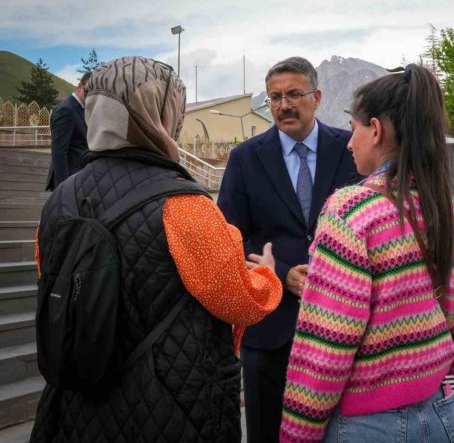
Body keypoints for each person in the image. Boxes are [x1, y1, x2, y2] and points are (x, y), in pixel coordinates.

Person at [31, 56, 282, 442]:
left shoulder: (58, 202)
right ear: (158, 114)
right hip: (172, 405)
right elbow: (238, 301)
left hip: (77, 407)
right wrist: (266, 274)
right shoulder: (184, 205)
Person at [279, 64, 454, 442]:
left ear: (377, 129)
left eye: (354, 130)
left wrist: (295, 435)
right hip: (444, 412)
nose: (349, 143)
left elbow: (326, 346)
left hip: (369, 426)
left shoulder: (353, 213)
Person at [217, 57, 358, 443]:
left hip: (341, 326)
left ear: (317, 97)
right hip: (270, 330)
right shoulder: (246, 158)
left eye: (294, 94)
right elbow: (229, 236)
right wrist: (280, 274)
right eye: (275, 97)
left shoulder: (349, 150)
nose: (284, 105)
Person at [46, 72, 91, 190]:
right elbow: (59, 152)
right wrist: (64, 187)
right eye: (88, 91)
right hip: (69, 180)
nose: (91, 95)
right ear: (79, 86)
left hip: (79, 177)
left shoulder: (81, 108)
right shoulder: (66, 110)